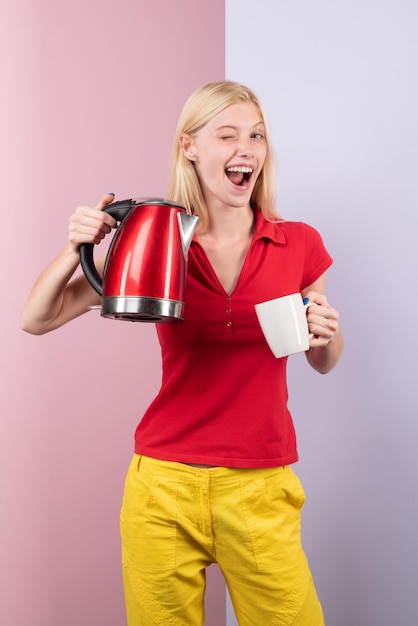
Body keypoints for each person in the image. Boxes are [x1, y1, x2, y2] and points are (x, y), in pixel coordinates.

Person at [21, 80, 343, 625]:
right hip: (163, 485)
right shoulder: (159, 240)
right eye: (228, 135)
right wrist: (76, 247)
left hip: (260, 484)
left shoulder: (299, 242)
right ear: (189, 146)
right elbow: (37, 319)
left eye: (257, 136)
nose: (247, 149)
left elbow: (323, 359)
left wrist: (328, 331)